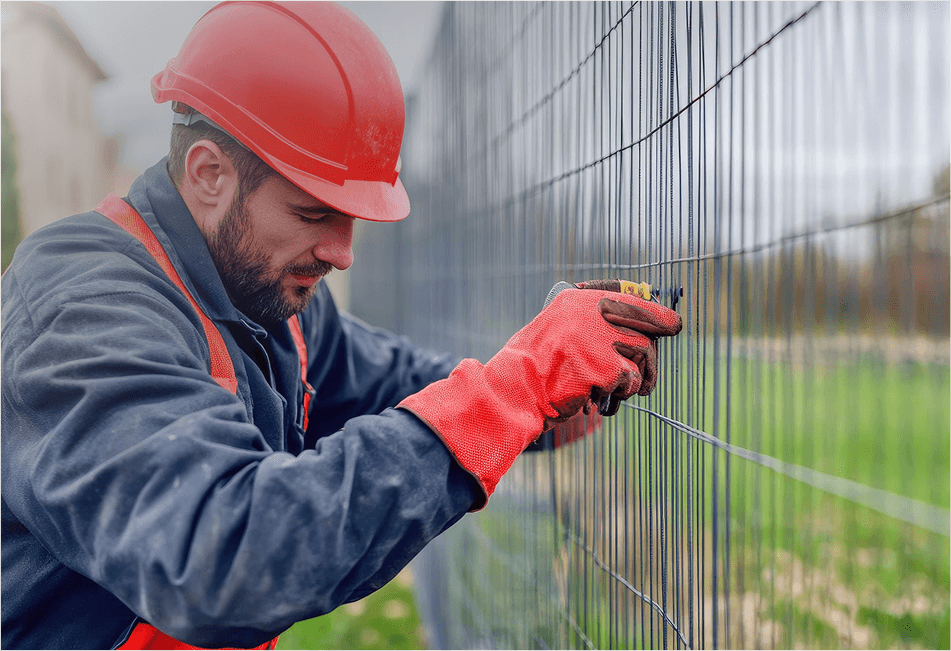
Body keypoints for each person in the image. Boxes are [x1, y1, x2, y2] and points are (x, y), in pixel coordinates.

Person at [0, 3, 682, 650]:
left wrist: (547, 395)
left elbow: (396, 382)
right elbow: (221, 557)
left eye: (352, 216)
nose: (342, 252)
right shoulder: (83, 310)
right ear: (209, 174)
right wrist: (516, 388)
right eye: (311, 212)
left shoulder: (262, 290)